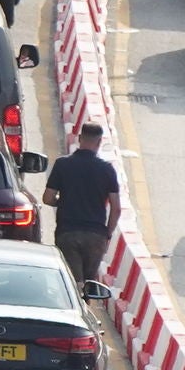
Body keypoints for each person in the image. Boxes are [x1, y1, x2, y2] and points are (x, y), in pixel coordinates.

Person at [45, 123, 120, 291]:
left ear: (79, 139)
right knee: (87, 285)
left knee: (71, 284)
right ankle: (85, 310)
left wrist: (65, 202)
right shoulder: (107, 170)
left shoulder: (62, 164)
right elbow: (116, 208)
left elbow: (48, 198)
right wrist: (107, 233)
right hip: (96, 236)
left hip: (67, 233)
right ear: (99, 142)